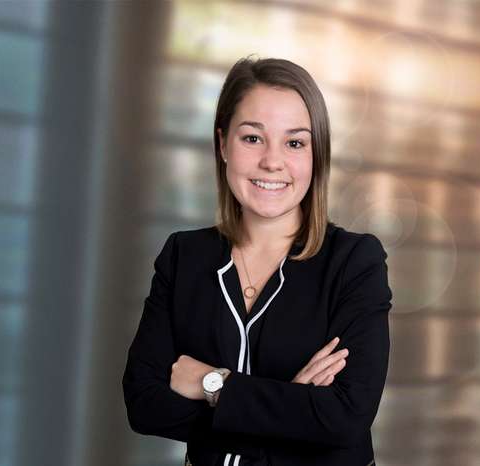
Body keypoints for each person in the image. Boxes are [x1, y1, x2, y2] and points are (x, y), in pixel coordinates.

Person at [122, 56, 392, 466]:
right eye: (252, 138)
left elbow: (344, 418)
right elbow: (144, 404)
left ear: (316, 155)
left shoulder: (355, 262)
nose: (272, 161)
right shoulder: (183, 256)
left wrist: (213, 383)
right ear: (222, 145)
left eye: (294, 143)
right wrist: (293, 410)